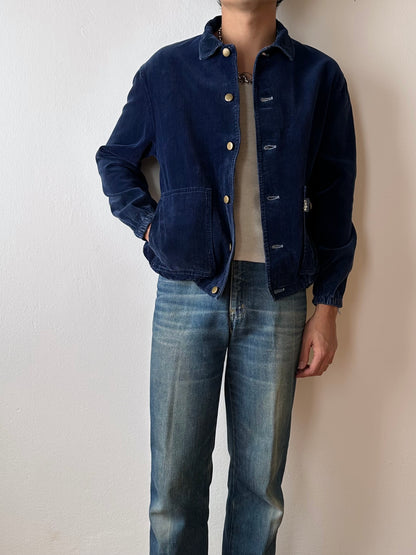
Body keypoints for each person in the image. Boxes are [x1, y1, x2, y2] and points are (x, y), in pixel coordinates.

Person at [96, 0, 357, 552]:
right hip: (186, 291)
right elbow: (116, 160)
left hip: (279, 296)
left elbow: (335, 199)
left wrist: (328, 305)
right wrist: (152, 227)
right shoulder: (167, 70)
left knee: (261, 493)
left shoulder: (319, 76)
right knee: (174, 492)